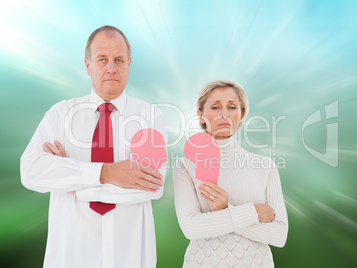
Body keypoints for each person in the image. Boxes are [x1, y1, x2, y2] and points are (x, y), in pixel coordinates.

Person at [20, 25, 167, 268]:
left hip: (129, 258)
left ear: (129, 63)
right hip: (70, 258)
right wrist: (106, 173)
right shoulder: (60, 114)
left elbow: (152, 187)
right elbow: (31, 171)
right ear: (88, 66)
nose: (111, 68)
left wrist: (72, 181)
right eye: (102, 59)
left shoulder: (150, 117)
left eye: (119, 59)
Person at [172, 80, 288, 267]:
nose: (224, 114)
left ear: (241, 114)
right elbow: (192, 228)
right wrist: (255, 212)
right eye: (215, 107)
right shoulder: (184, 166)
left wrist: (226, 210)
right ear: (201, 114)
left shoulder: (265, 166)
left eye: (232, 107)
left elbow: (279, 235)